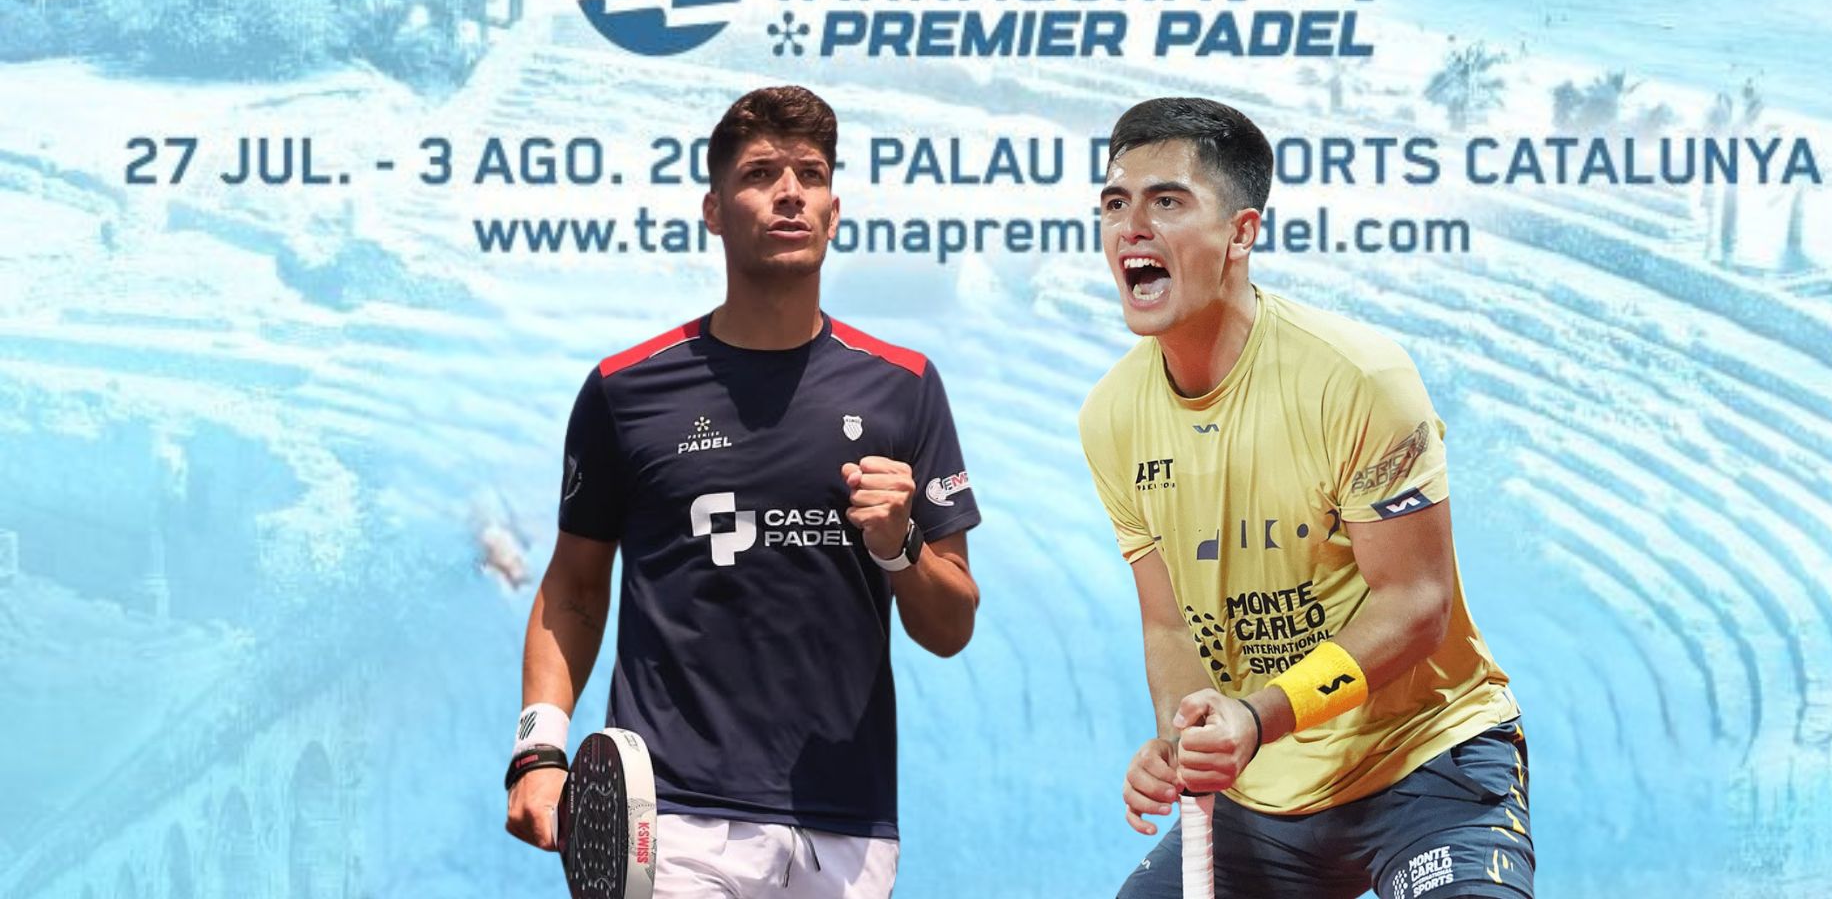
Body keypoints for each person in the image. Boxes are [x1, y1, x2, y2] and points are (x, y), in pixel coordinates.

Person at [504, 85, 983, 898]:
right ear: (714, 211)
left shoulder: (904, 388)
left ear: (834, 212)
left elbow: (951, 627)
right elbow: (574, 587)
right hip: (669, 816)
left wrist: (901, 548)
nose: (790, 192)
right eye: (760, 174)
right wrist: (539, 748)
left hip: (848, 828)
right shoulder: (625, 390)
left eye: (811, 174)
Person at [1079, 97, 1532, 897]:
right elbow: (1169, 622)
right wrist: (1188, 738)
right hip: (1263, 793)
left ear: (1241, 234)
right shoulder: (1110, 416)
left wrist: (1256, 717)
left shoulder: (1357, 377)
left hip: (1424, 765)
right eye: (1115, 204)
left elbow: (1417, 604)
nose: (1131, 227)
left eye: (1167, 202)